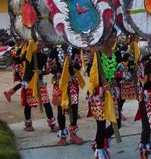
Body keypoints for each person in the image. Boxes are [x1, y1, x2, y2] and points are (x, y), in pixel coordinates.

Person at [87, 28, 121, 158]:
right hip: (98, 94)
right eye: (110, 37)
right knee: (101, 125)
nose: (113, 40)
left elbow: (119, 73)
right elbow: (91, 73)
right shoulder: (97, 54)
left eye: (114, 37)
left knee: (116, 123)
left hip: (111, 93)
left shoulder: (116, 53)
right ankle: (100, 152)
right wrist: (102, 84)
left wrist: (114, 81)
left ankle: (98, 141)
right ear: (104, 38)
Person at [48, 44, 84, 145]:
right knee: (61, 109)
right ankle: (63, 135)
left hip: (72, 83)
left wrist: (71, 61)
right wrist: (60, 75)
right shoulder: (54, 50)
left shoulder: (75, 49)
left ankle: (73, 134)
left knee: (74, 107)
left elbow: (79, 66)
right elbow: (49, 68)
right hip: (59, 84)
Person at [20, 39, 58, 132]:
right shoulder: (28, 54)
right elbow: (18, 59)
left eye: (41, 43)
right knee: (29, 103)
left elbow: (47, 70)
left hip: (40, 81)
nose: (40, 45)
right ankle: (28, 124)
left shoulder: (44, 56)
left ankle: (52, 125)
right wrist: (23, 47)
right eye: (38, 43)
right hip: (29, 82)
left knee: (46, 103)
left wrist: (42, 72)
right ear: (34, 44)